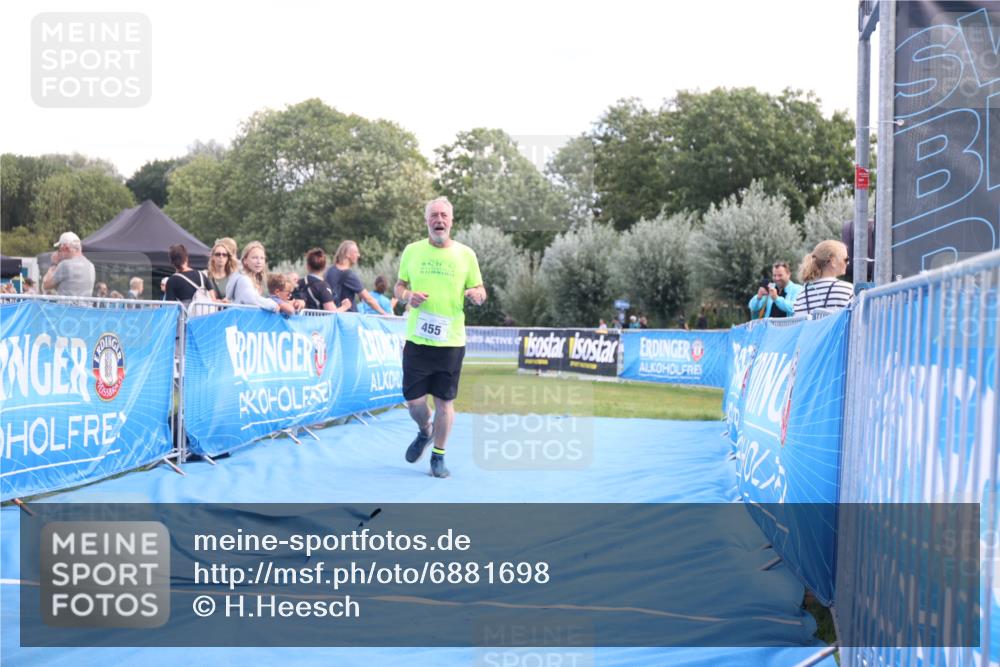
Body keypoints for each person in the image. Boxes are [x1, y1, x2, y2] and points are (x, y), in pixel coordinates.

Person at [394, 196, 486, 478]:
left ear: (451, 221)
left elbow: (481, 290)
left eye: (444, 215)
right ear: (427, 221)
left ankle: (438, 456)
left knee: (445, 402)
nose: (439, 220)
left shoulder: (466, 254)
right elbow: (399, 287)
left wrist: (476, 295)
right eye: (434, 215)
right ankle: (425, 430)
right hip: (418, 340)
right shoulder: (412, 251)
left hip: (451, 341)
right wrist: (408, 296)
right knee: (415, 403)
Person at [226, 241, 300, 315]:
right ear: (245, 261)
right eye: (254, 258)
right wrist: (273, 305)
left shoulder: (255, 280)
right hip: (242, 321)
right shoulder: (243, 280)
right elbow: (252, 300)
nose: (259, 261)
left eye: (262, 258)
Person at [325, 241, 389, 315]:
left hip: (332, 317)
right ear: (347, 254)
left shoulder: (329, 271)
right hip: (347, 318)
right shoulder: (349, 275)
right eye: (356, 252)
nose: (358, 255)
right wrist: (385, 314)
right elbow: (369, 299)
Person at [793, 240, 854, 315]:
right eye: (846, 259)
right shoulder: (848, 290)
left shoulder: (801, 294)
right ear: (833, 261)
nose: (848, 263)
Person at [293, 247, 351, 312]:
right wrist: (345, 307)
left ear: (307, 266)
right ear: (324, 267)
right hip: (317, 321)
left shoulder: (297, 283)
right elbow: (331, 312)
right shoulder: (322, 286)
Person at [42, 231, 95, 297]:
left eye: (59, 250)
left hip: (66, 307)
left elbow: (46, 285)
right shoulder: (91, 265)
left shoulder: (65, 265)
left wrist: (54, 264)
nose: (59, 253)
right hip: (85, 307)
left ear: (65, 248)